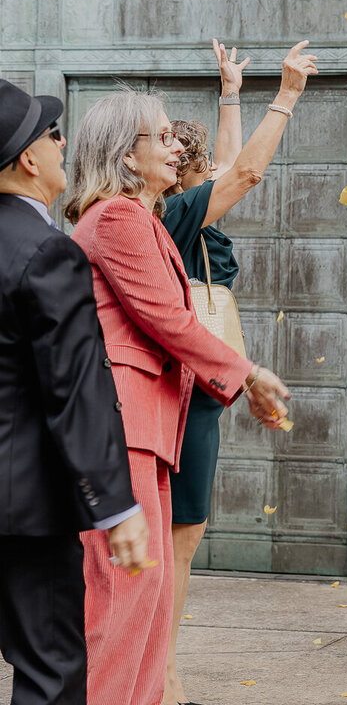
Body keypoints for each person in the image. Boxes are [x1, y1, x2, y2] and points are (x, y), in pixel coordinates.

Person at [63, 78, 301, 705]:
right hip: (121, 430)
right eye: (162, 136)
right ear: (123, 153)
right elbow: (167, 318)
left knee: (153, 590)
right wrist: (247, 373)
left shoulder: (144, 217)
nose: (175, 147)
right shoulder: (116, 216)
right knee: (126, 594)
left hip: (147, 430)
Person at [161, 38, 315, 705]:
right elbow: (244, 172)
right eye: (192, 160)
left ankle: (159, 666)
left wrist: (230, 91)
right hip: (187, 383)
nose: (205, 166)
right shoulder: (177, 213)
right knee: (180, 537)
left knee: (183, 534)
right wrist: (284, 95)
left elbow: (230, 163)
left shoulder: (191, 212)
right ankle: (160, 673)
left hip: (201, 383)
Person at [0, 80, 150, 705]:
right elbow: (76, 387)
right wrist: (114, 504)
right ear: (29, 160)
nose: (66, 145)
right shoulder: (46, 253)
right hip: (25, 509)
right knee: (50, 668)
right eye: (53, 134)